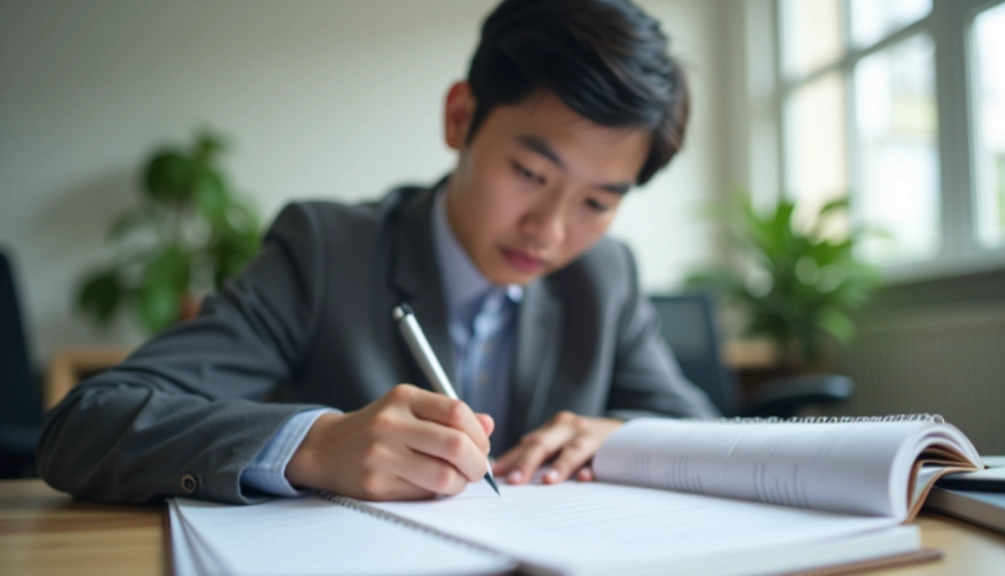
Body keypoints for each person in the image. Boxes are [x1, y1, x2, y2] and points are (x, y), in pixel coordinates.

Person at [37, 0, 719, 505]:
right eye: (531, 175)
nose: (550, 230)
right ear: (460, 118)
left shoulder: (604, 276)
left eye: (597, 203)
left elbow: (708, 440)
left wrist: (622, 436)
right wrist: (314, 445)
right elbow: (85, 425)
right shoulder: (325, 250)